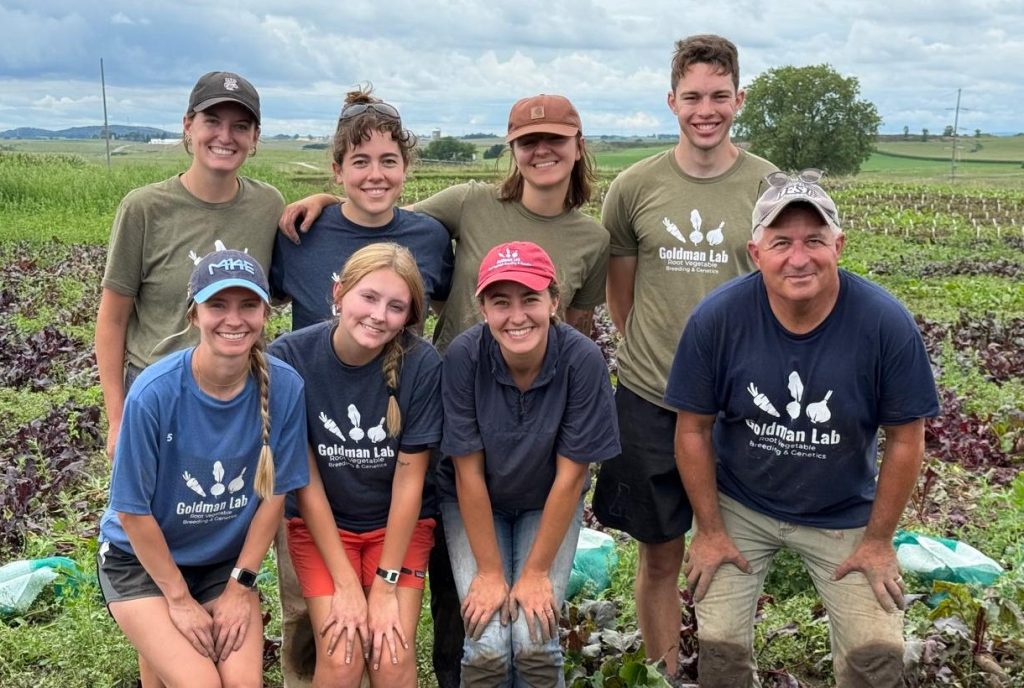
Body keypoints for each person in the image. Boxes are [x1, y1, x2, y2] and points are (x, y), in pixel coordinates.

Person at [281, 93, 609, 687]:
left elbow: (579, 348)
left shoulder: (583, 246)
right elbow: (374, 214)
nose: (542, 151)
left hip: (470, 443)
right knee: (344, 639)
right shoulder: (466, 205)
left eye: (555, 139)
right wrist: (329, 201)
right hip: (413, 447)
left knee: (486, 635)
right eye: (359, 163)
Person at [666, 172, 938, 687]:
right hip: (740, 505)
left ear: (838, 245)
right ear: (755, 251)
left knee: (876, 660)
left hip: (843, 511)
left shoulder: (884, 323)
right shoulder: (717, 319)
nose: (799, 257)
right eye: (781, 242)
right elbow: (692, 430)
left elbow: (906, 437)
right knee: (720, 656)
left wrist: (879, 540)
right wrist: (710, 529)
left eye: (814, 240)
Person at [590, 34, 776, 679]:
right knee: (661, 552)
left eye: (719, 96)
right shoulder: (635, 185)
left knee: (735, 547)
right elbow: (623, 294)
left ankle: (726, 665)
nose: (706, 109)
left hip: (740, 403)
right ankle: (662, 672)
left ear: (738, 99)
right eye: (693, 96)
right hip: (650, 397)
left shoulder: (767, 185)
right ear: (671, 101)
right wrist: (658, 355)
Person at [96, 249, 309, 687]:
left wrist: (240, 587)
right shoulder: (153, 394)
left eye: (248, 305)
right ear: (194, 315)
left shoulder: (286, 386)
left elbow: (275, 496)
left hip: (220, 563)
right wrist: (176, 599)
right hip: (139, 562)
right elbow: (132, 512)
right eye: (217, 305)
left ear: (266, 313)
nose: (234, 319)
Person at [440, 242, 620, 686]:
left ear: (554, 301)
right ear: (482, 307)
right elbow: (467, 472)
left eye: (530, 299)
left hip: (547, 501)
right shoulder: (464, 357)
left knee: (534, 640)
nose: (516, 317)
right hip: (474, 502)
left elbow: (571, 474)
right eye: (500, 302)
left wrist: (536, 572)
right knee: (486, 645)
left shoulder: (581, 360)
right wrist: (489, 572)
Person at [269, 243, 442, 687]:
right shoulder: (290, 358)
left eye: (396, 306)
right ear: (338, 292)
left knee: (392, 657)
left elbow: (410, 482)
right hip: (324, 526)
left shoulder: (422, 365)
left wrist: (384, 587)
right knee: (342, 658)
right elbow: (302, 477)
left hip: (398, 530)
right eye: (368, 297)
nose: (379, 315)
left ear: (409, 317)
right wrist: (346, 584)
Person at [96, 70, 285, 461]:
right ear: (187, 126)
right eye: (211, 121)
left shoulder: (269, 206)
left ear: (254, 138)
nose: (225, 136)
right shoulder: (144, 208)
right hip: (156, 390)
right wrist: (117, 419)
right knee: (148, 509)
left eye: (240, 126)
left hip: (238, 389)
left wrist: (325, 202)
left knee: (228, 503)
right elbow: (112, 320)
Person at [270, 86, 453, 332]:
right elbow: (263, 304)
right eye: (360, 162)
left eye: (388, 161)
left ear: (405, 168)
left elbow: (449, 315)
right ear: (338, 171)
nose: (375, 175)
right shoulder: (300, 232)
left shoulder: (430, 237)